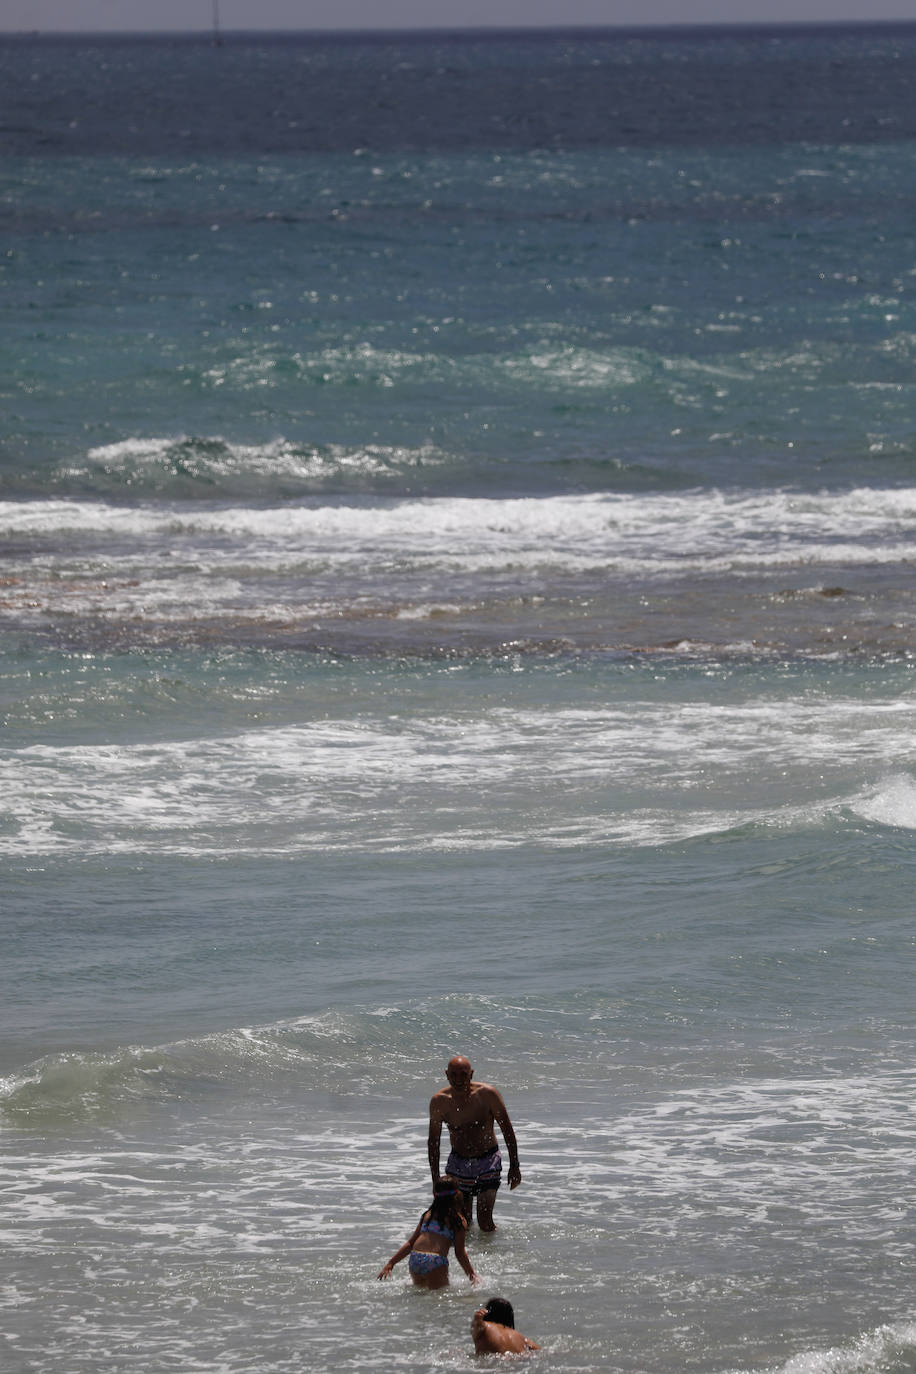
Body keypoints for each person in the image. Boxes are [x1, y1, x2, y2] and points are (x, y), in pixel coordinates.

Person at [428, 1054, 521, 1231]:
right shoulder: (439, 1101)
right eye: (454, 1075)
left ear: (471, 1074)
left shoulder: (487, 1095)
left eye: (463, 1074)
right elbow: (433, 1143)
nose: (459, 1079)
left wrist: (514, 1165)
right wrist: (435, 1180)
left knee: (485, 1222)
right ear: (446, 1075)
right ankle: (467, 1257)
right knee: (463, 1222)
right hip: (458, 1164)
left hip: (488, 1161)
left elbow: (507, 1131)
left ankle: (494, 1254)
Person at [377, 1178, 479, 1289]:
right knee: (439, 1300)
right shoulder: (458, 1220)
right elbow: (459, 1253)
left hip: (415, 1258)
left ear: (435, 1195)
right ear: (457, 1195)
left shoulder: (427, 1215)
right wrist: (472, 1275)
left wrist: (391, 1263)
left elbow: (411, 1243)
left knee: (421, 1296)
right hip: (435, 1261)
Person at [471, 1297, 540, 1355]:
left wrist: (477, 1319)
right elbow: (538, 1350)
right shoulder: (521, 1337)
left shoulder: (485, 1327)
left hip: (495, 1363)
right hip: (517, 1362)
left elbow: (477, 1327)